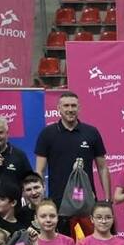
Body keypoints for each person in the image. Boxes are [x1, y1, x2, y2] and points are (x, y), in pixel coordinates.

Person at [34, 92, 109, 223]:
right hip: (57, 202)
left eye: (73, 106)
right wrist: (40, 200)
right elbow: (39, 170)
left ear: (79, 108)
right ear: (59, 108)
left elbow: (102, 168)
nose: (70, 109)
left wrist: (107, 199)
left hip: (87, 201)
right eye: (66, 106)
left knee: (89, 236)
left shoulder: (91, 132)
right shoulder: (47, 134)